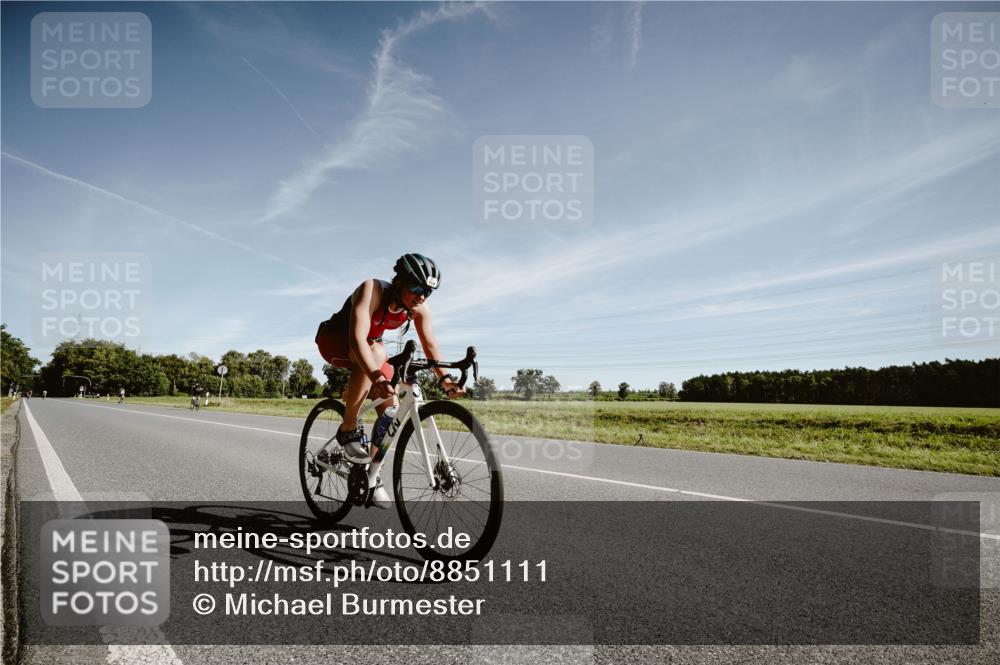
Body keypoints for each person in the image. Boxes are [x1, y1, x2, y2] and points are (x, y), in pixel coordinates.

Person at [315, 254, 463, 502]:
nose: (421, 296)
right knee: (377, 351)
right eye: (416, 288)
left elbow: (430, 346)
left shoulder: (418, 308)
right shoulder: (371, 289)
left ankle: (372, 474)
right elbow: (357, 340)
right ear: (399, 282)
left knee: (391, 410)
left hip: (368, 346)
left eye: (428, 291)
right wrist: (375, 375)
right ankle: (348, 428)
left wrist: (445, 379)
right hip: (335, 340)